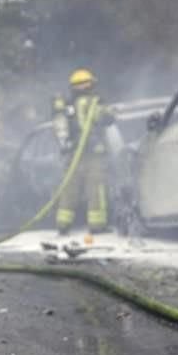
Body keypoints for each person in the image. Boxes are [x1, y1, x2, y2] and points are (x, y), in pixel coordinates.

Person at [52, 68, 114, 236]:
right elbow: (107, 119)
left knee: (69, 189)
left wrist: (65, 145)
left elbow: (60, 127)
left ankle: (63, 224)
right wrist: (106, 109)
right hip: (93, 154)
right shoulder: (92, 103)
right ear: (91, 84)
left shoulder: (66, 106)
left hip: (73, 154)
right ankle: (97, 226)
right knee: (96, 188)